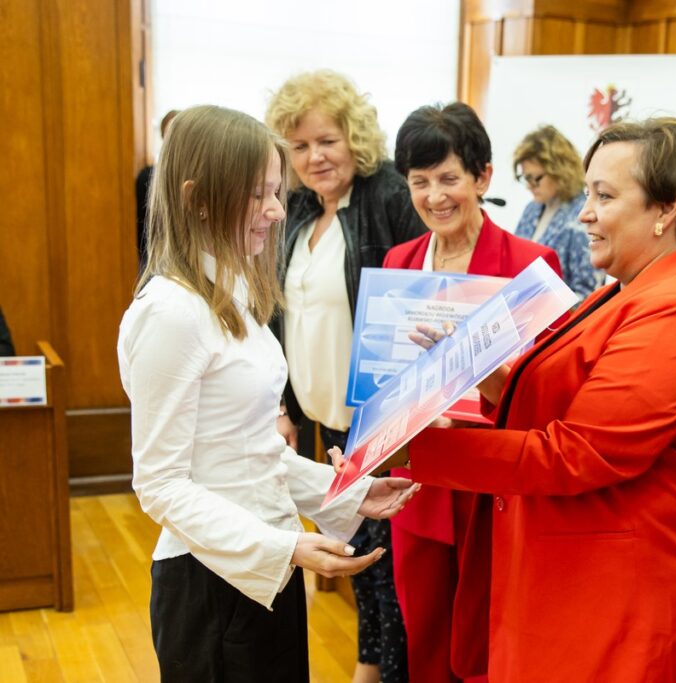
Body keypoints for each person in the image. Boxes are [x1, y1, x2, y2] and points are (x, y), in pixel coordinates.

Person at [361, 116, 676, 681]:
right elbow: (565, 394)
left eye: (604, 196)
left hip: (623, 592)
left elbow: (577, 453)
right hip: (576, 575)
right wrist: (480, 374)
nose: (583, 213)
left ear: (667, 210)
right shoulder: (629, 291)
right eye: (588, 193)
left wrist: (410, 453)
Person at [117, 105, 418, 681]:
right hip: (213, 580)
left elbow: (249, 449)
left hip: (267, 563)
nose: (278, 210)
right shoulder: (172, 313)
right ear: (199, 198)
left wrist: (343, 493)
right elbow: (160, 484)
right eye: (260, 196)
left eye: (277, 192)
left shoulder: (229, 296)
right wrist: (284, 548)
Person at [384, 101, 562, 683]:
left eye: (449, 178)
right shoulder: (399, 263)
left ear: (483, 178)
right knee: (427, 638)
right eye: (420, 181)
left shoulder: (531, 266)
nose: (435, 195)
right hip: (423, 483)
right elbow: (383, 377)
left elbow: (546, 396)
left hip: (495, 486)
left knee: (490, 642)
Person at [265, 70, 426, 683]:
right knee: (357, 552)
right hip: (321, 411)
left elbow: (416, 296)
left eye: (326, 140)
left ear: (353, 136)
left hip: (380, 416)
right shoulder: (300, 208)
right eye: (300, 146)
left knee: (387, 564)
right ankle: (369, 662)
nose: (314, 157)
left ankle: (386, 671)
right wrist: (285, 405)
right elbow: (286, 315)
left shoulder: (387, 197)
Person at [512, 125, 601, 299]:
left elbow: (587, 294)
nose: (529, 185)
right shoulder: (532, 209)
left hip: (563, 322)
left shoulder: (583, 213)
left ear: (560, 171)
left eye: (536, 178)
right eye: (525, 178)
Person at [135, 109, 179, 271]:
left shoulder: (197, 179)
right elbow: (142, 226)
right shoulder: (147, 177)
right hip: (155, 254)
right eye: (169, 132)